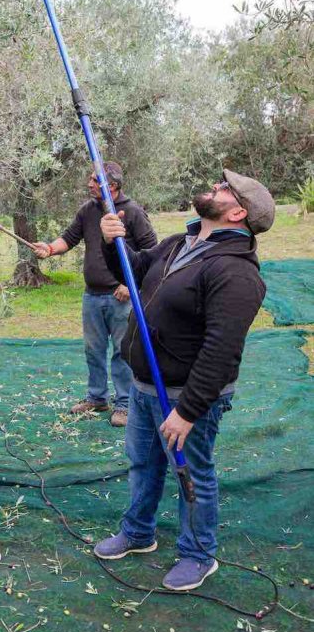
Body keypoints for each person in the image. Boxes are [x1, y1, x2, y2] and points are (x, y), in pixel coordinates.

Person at [93, 169, 275, 591]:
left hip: (184, 396)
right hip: (143, 385)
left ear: (237, 211)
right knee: (143, 464)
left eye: (224, 189)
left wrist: (188, 412)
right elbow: (134, 272)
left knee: (192, 473)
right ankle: (138, 533)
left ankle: (198, 554)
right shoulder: (180, 244)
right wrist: (110, 241)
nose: (214, 187)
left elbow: (222, 350)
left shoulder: (237, 273)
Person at [32, 162, 157, 426]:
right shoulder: (87, 210)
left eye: (94, 180)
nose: (89, 184)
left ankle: (124, 405)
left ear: (111, 186)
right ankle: (97, 398)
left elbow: (151, 252)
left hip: (121, 297)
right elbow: (69, 238)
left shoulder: (132, 212)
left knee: (123, 353)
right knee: (94, 350)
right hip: (92, 295)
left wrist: (130, 284)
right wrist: (50, 249)